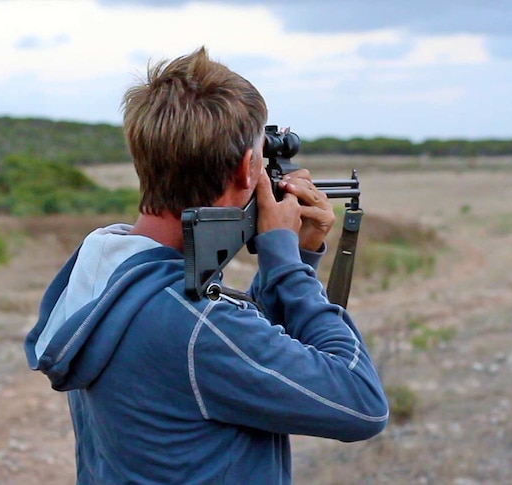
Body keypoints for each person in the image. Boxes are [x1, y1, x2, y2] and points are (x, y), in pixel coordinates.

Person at [23, 46, 388, 484]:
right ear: (245, 169)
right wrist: (287, 265)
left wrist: (298, 255)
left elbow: (238, 354)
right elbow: (362, 403)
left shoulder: (109, 276)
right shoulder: (191, 327)